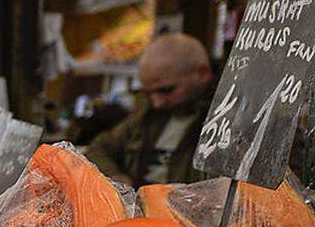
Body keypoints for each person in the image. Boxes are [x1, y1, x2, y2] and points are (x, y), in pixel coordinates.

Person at [86, 33, 217, 187]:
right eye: (149, 93)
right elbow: (100, 147)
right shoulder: (146, 115)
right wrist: (116, 178)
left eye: (166, 90)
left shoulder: (226, 123)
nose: (157, 103)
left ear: (202, 74)